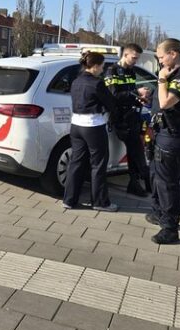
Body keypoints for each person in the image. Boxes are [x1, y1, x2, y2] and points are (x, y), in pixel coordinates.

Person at [146, 38, 180, 244]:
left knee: (167, 182)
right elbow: (159, 100)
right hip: (163, 132)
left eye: (161, 57)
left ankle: (170, 228)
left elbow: (166, 102)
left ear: (173, 54)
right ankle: (158, 212)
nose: (160, 62)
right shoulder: (174, 74)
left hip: (174, 134)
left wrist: (161, 80)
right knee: (156, 175)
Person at [63, 51, 119, 212]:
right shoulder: (97, 83)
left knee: (76, 162)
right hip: (93, 126)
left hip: (76, 125)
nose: (103, 69)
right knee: (98, 164)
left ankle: (69, 200)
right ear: (94, 66)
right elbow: (111, 103)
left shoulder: (76, 81)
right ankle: (100, 202)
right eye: (102, 66)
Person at [104, 42, 151, 197]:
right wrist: (136, 92)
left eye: (137, 58)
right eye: (133, 58)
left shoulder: (131, 71)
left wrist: (140, 98)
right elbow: (114, 95)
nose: (135, 61)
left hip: (132, 116)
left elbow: (129, 94)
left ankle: (135, 182)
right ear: (125, 54)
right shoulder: (112, 71)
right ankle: (142, 180)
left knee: (134, 150)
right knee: (136, 149)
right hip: (120, 118)